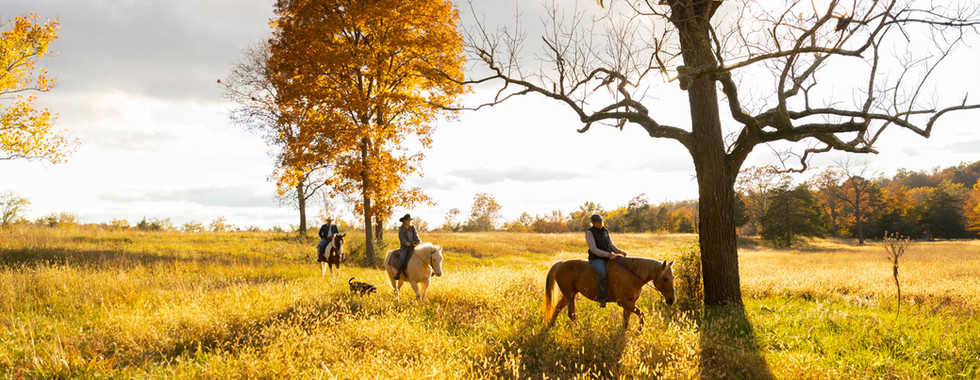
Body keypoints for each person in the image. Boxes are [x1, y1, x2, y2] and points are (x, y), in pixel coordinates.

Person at [585, 214, 627, 307]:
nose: (600, 224)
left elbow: (611, 245)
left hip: (608, 257)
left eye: (601, 221)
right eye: (598, 222)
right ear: (593, 223)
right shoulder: (590, 232)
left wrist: (619, 251)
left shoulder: (605, 230)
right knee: (602, 274)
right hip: (596, 259)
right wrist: (608, 254)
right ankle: (602, 298)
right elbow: (593, 249)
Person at [395, 213, 421, 280]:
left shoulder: (412, 228)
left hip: (414, 245)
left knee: (422, 254)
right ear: (404, 221)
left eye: (409, 220)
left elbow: (416, 236)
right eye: (407, 220)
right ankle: (398, 271)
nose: (409, 222)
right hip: (405, 247)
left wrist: (418, 241)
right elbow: (401, 238)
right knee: (403, 256)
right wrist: (406, 243)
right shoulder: (401, 229)